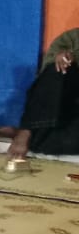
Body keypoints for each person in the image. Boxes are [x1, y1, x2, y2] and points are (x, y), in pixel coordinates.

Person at [9, 26, 79, 159]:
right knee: (56, 70)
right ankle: (26, 131)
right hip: (61, 106)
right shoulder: (72, 38)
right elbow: (45, 76)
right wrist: (63, 58)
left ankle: (30, 134)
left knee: (69, 143)